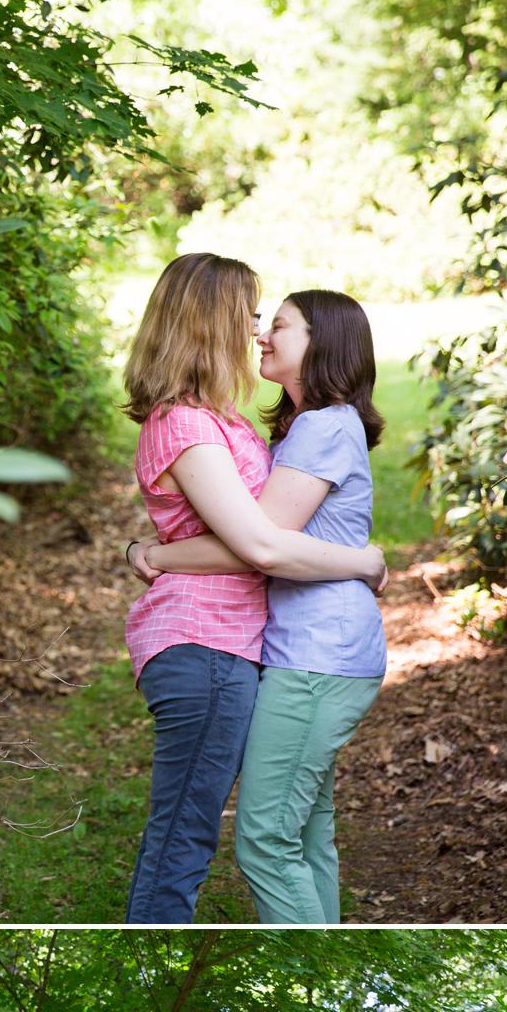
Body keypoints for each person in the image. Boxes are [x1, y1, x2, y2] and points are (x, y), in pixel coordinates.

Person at [120, 255, 385, 923]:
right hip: (207, 640)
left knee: (269, 835)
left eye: (272, 319)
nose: (254, 327)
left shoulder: (231, 420)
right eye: (247, 311)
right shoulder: (188, 423)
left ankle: (318, 961)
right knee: (208, 836)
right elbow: (259, 543)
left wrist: (152, 551)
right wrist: (361, 560)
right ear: (210, 320)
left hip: (264, 646)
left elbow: (258, 537)